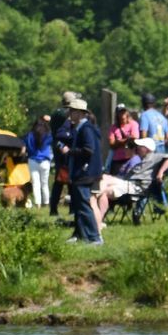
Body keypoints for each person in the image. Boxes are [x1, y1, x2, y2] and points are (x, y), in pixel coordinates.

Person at [66, 98, 105, 245]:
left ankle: (95, 237)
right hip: (84, 172)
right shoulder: (81, 128)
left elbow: (88, 150)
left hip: (85, 173)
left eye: (72, 111)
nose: (69, 113)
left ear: (79, 113)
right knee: (78, 204)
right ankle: (81, 235)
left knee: (83, 204)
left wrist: (71, 151)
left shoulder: (86, 128)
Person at [96, 136, 159, 216]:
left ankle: (91, 202)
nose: (138, 148)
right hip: (127, 183)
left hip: (133, 186)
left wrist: (160, 172)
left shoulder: (148, 159)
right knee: (104, 181)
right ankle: (98, 218)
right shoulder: (140, 159)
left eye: (140, 147)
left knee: (104, 185)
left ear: (147, 149)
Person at [23, 115, 53, 207]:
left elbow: (24, 146)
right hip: (45, 161)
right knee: (45, 183)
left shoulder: (29, 135)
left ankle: (38, 204)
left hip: (33, 160)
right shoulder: (48, 134)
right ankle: (46, 203)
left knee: (36, 183)